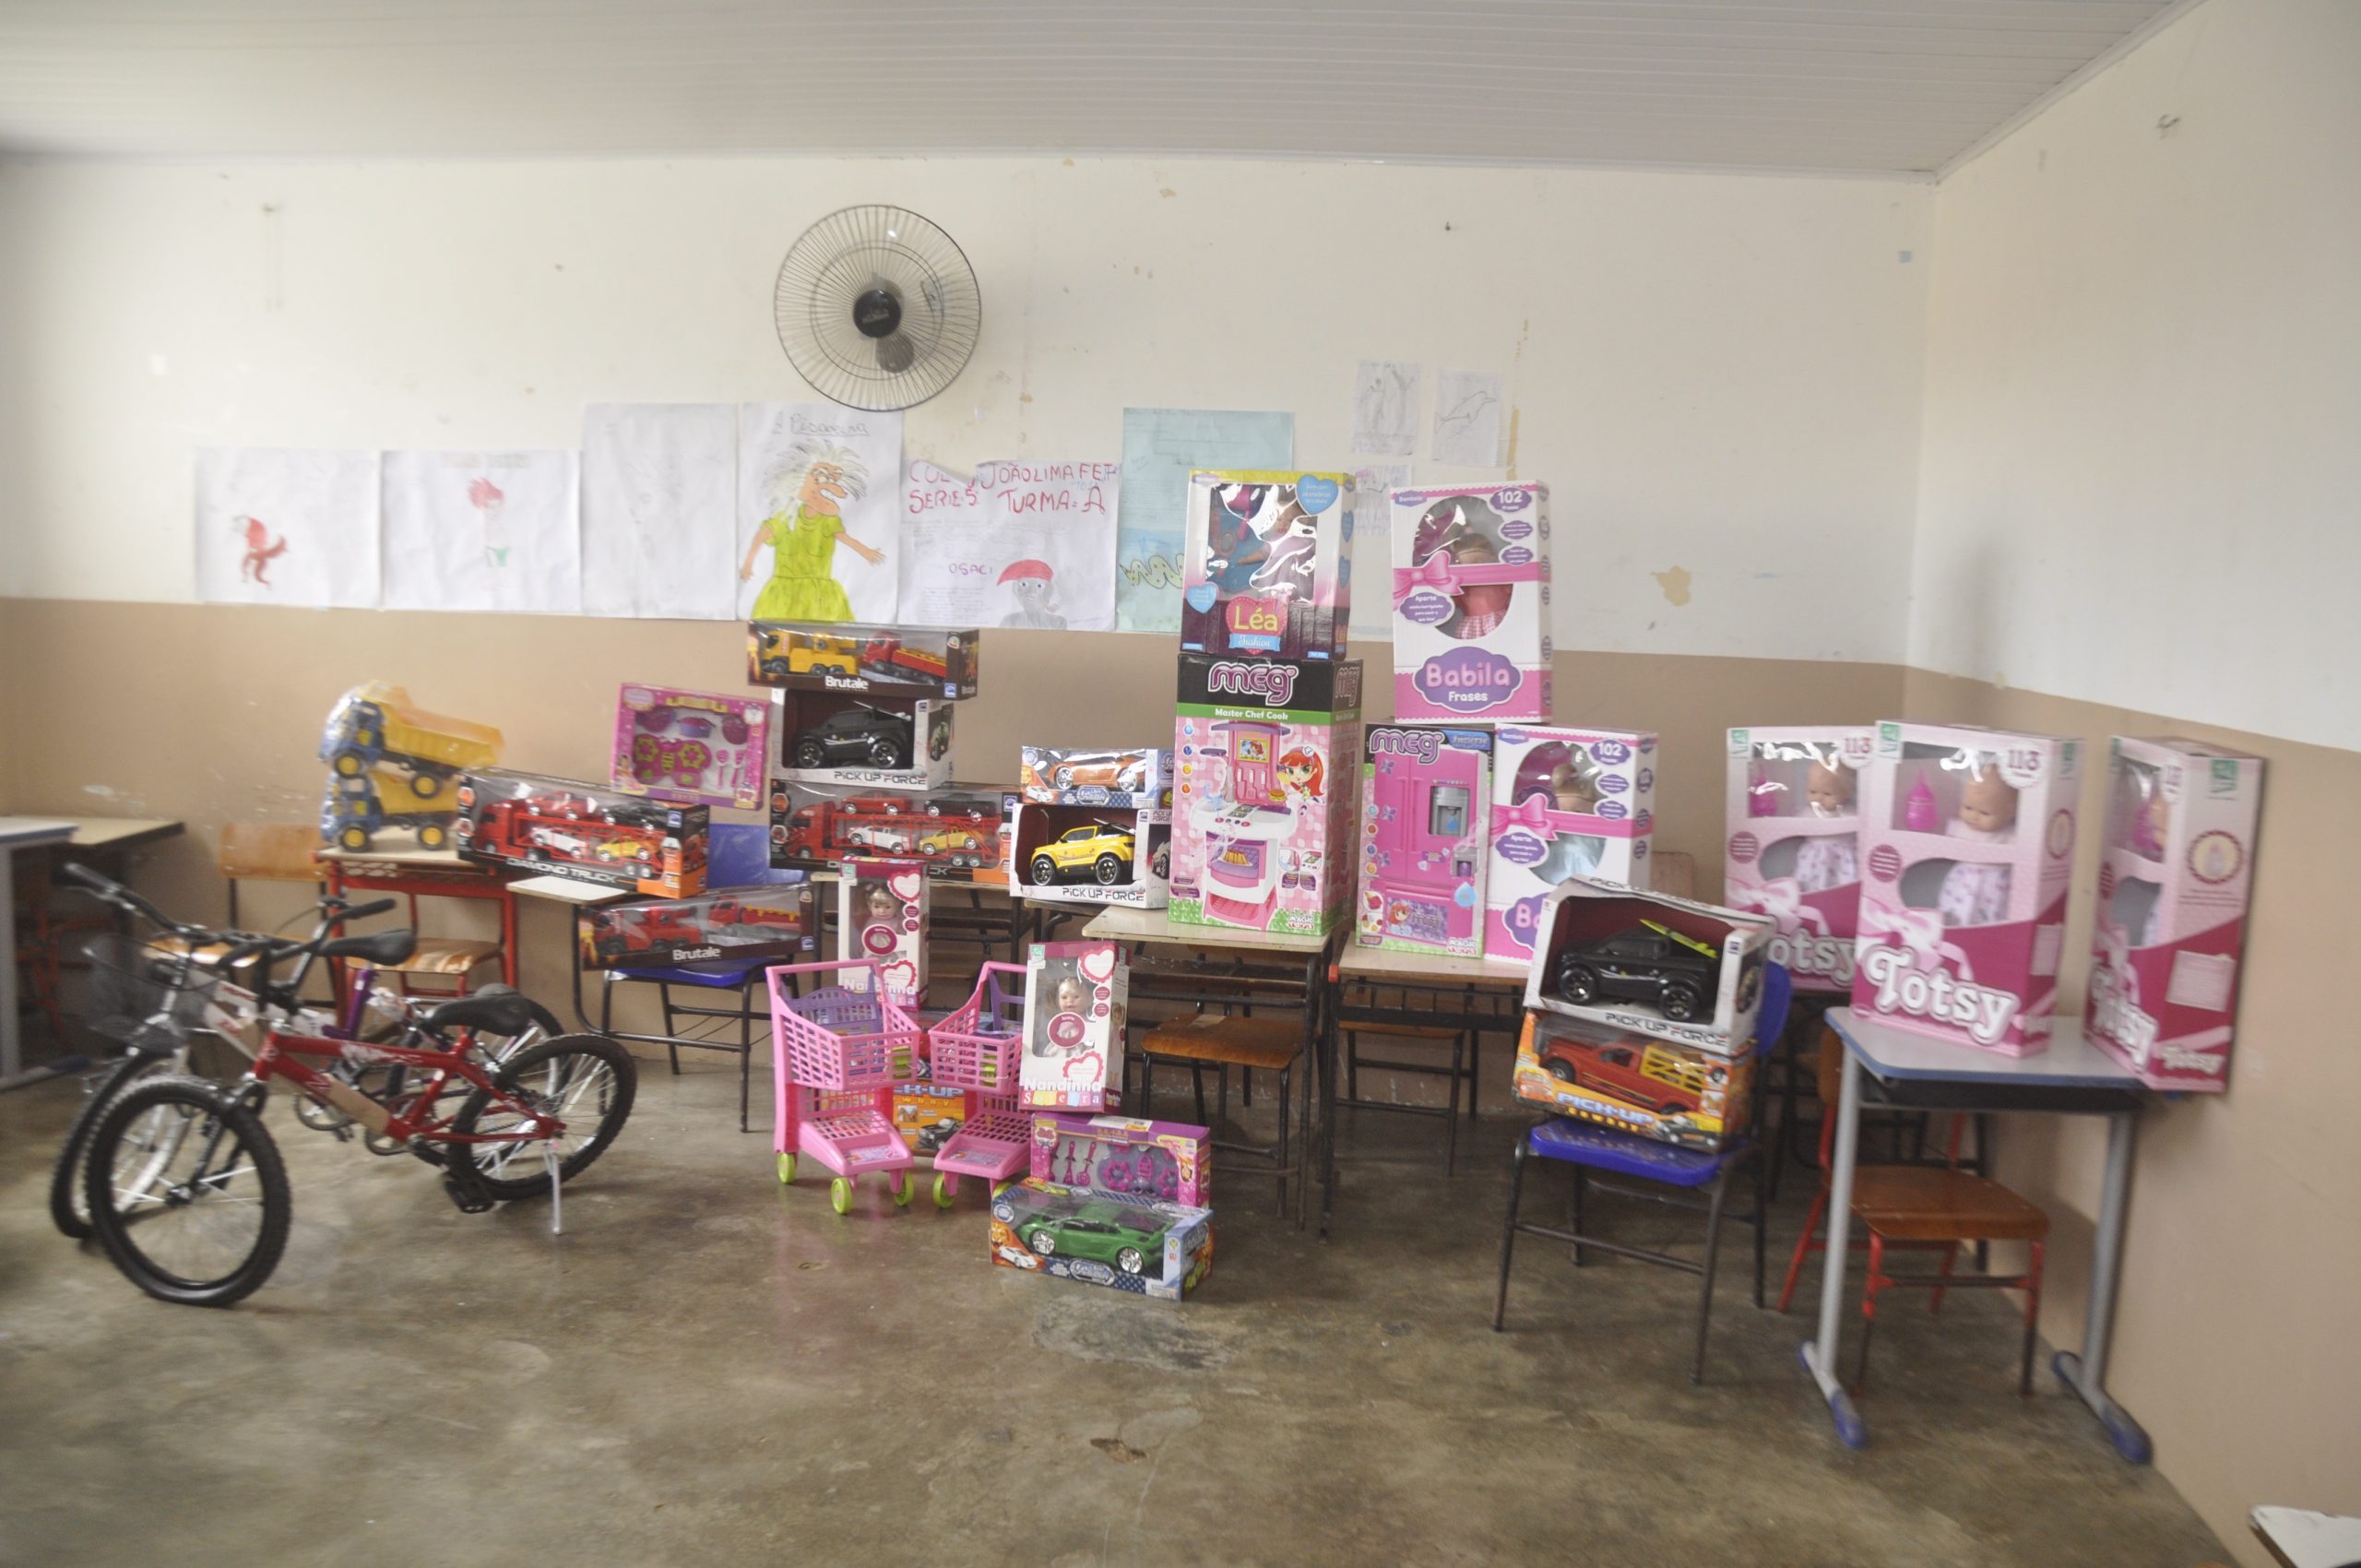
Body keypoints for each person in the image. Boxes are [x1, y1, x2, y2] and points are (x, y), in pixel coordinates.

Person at [740, 441, 883, 620]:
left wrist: (866, 551)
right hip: (785, 593)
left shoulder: (828, 521)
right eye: (820, 479)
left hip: (820, 594)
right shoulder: (787, 517)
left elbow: (844, 538)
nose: (826, 486)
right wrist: (748, 564)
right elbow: (762, 534)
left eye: (829, 480)